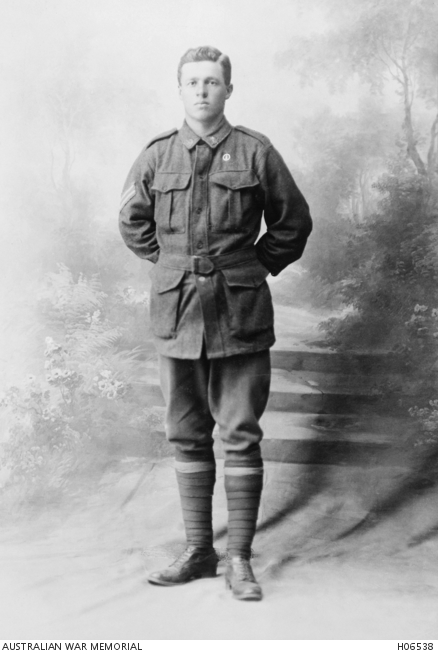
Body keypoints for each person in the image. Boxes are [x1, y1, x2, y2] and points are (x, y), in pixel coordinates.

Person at [119, 45, 312, 601]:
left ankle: (239, 559)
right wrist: (172, 265)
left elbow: (292, 222)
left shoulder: (256, 152)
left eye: (212, 82)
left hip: (240, 311)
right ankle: (198, 550)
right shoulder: (156, 156)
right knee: (185, 432)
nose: (202, 90)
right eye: (192, 82)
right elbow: (131, 220)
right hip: (177, 312)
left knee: (241, 434)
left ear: (229, 89)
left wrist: (254, 267)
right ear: (179, 90)